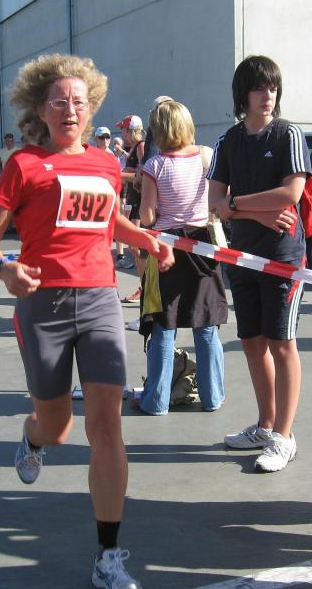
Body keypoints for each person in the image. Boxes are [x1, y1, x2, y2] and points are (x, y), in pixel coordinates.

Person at [0, 52, 173, 589]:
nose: (70, 110)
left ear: (91, 109)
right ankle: (33, 434)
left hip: (101, 299)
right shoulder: (23, 165)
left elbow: (110, 221)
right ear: (40, 109)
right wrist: (5, 268)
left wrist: (145, 239)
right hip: (44, 306)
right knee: (58, 427)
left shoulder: (106, 164)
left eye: (79, 102)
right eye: (59, 101)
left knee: (106, 425)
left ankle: (109, 555)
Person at [209, 54, 311, 473]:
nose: (267, 95)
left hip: (283, 256)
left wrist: (238, 205)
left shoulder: (288, 135)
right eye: (258, 88)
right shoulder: (228, 141)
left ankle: (284, 436)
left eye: (272, 87)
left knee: (281, 343)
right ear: (243, 94)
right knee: (252, 341)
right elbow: (215, 203)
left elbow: (291, 194)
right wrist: (258, 213)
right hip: (242, 255)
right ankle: (266, 425)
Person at [136, 99, 227, 415]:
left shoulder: (155, 166)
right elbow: (218, 198)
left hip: (167, 248)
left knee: (164, 325)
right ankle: (213, 397)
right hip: (203, 247)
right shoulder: (206, 156)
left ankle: (156, 400)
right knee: (206, 324)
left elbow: (147, 217)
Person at [116, 114, 146, 297]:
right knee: (135, 247)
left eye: (124, 130)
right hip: (134, 200)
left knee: (136, 246)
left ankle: (146, 287)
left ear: (130, 131)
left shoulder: (141, 146)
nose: (122, 134)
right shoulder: (134, 147)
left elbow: (143, 174)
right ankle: (145, 286)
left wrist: (120, 174)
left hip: (141, 201)